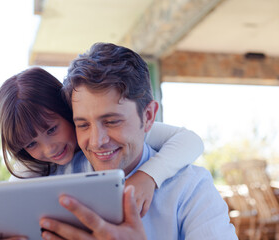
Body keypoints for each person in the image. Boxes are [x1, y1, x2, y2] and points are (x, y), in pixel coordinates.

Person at [0, 65, 203, 239]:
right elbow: (7, 209)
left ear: (66, 109)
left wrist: (148, 176)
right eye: (31, 144)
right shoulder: (33, 167)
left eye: (52, 129)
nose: (49, 148)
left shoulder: (118, 134)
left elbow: (190, 140)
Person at [38, 42, 238, 240]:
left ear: (149, 116)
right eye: (82, 125)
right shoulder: (51, 183)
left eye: (112, 121)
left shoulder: (190, 189)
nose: (97, 141)